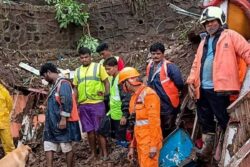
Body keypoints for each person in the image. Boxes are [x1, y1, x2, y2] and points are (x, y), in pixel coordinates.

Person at [187, 6, 250, 161]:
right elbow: (196, 63)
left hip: (221, 89)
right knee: (205, 120)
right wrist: (190, 80)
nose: (209, 25)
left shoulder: (231, 36)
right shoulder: (204, 41)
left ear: (220, 21)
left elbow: (247, 52)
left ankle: (229, 151)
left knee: (224, 120)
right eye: (206, 23)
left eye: (212, 21)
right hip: (202, 89)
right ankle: (207, 149)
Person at [119, 67, 162, 167]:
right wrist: (132, 146)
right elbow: (136, 124)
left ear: (129, 81)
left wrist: (153, 146)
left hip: (149, 142)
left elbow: (154, 122)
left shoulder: (149, 94)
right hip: (141, 141)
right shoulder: (134, 97)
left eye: (122, 84)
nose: (123, 87)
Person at [40, 63, 81, 167]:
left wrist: (63, 119)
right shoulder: (55, 85)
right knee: (48, 145)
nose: (44, 79)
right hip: (52, 123)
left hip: (62, 122)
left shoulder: (63, 84)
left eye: (44, 76)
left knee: (66, 146)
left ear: (48, 72)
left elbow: (66, 101)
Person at [73, 47, 110, 161]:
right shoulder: (77, 71)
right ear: (79, 58)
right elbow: (75, 88)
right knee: (89, 131)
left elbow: (106, 82)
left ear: (90, 56)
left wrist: (105, 95)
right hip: (84, 105)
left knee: (100, 130)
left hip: (97, 103)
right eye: (82, 57)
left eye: (86, 57)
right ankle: (94, 154)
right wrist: (75, 103)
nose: (84, 59)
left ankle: (105, 154)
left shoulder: (98, 67)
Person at [146, 42, 184, 138]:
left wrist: (177, 92)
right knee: (159, 127)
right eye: (153, 54)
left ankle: (172, 147)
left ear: (163, 54)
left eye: (158, 54)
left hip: (168, 103)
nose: (155, 56)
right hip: (155, 103)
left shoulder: (170, 66)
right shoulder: (150, 67)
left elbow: (179, 82)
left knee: (169, 127)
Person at [98, 57, 127, 160]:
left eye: (109, 69)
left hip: (120, 114)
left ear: (115, 67)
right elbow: (114, 95)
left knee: (121, 139)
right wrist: (105, 95)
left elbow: (125, 98)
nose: (107, 71)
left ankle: (122, 159)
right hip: (113, 112)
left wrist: (124, 115)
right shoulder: (113, 79)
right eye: (106, 69)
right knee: (102, 130)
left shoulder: (120, 79)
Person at [0, 83, 15, 155]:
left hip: (3, 122)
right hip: (3, 121)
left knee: (8, 145)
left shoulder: (4, 92)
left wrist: (5, 115)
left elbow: (10, 105)